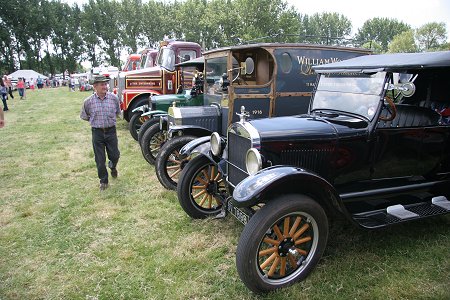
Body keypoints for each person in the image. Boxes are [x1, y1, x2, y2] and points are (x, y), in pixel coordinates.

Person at [80, 75, 121, 191]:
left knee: (115, 155)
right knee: (100, 159)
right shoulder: (88, 102)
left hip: (111, 131)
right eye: (102, 84)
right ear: (95, 87)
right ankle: (103, 180)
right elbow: (85, 116)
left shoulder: (114, 98)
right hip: (97, 132)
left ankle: (113, 166)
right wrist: (96, 122)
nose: (105, 86)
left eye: (105, 84)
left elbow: (118, 112)